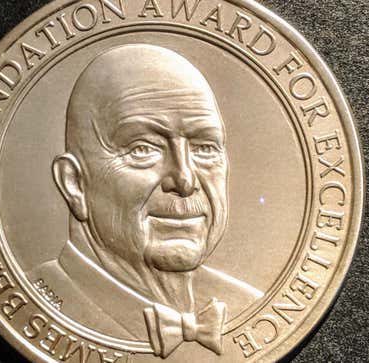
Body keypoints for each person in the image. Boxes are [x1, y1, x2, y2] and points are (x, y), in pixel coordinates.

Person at [29, 44, 262, 357]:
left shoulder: (249, 304)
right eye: (143, 148)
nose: (185, 179)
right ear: (75, 184)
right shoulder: (36, 305)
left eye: (204, 148)